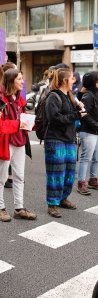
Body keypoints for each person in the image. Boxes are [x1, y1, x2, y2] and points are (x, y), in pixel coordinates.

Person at [44, 68, 86, 218]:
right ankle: (53, 203)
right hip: (55, 139)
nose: (74, 80)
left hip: (69, 139)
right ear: (64, 80)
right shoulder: (53, 97)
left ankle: (63, 198)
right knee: (56, 173)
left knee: (69, 172)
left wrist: (79, 108)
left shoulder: (69, 96)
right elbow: (54, 118)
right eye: (72, 78)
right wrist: (76, 115)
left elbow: (71, 114)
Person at [0, 69, 37, 222]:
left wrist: (31, 123)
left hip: (19, 140)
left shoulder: (18, 98)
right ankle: (1, 208)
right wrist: (17, 124)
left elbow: (20, 117)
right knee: (1, 178)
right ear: (11, 81)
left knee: (19, 176)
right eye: (20, 79)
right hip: (5, 143)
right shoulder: (1, 99)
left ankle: (19, 208)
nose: (23, 81)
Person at [76, 71, 98, 195]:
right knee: (86, 158)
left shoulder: (96, 94)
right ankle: (81, 183)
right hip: (89, 131)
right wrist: (96, 125)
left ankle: (93, 179)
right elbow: (83, 114)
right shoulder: (87, 96)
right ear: (93, 82)